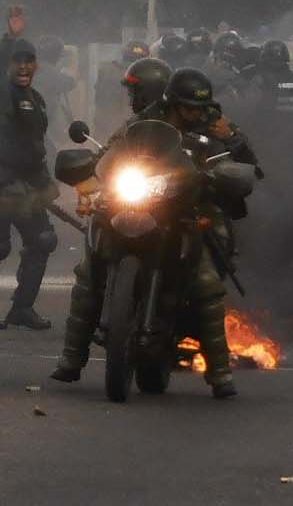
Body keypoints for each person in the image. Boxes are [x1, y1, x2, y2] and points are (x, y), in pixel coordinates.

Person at [51, 68, 258, 399]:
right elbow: (113, 150)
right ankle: (71, 359)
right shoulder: (146, 119)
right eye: (187, 107)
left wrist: (232, 141)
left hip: (188, 205)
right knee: (89, 271)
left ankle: (219, 372)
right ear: (171, 102)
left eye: (198, 108)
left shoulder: (213, 121)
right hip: (139, 199)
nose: (194, 114)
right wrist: (95, 167)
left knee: (206, 280)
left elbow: (250, 165)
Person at [0, 36, 58, 330]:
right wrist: (8, 37)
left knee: (43, 240)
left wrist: (47, 183)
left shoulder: (37, 99)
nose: (23, 67)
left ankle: (22, 308)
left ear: (36, 65)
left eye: (28, 61)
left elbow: (36, 146)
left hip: (28, 187)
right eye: (17, 61)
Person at [95, 41, 149, 134]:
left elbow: (98, 98)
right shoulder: (148, 74)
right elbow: (99, 98)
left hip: (112, 123)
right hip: (116, 122)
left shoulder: (106, 69)